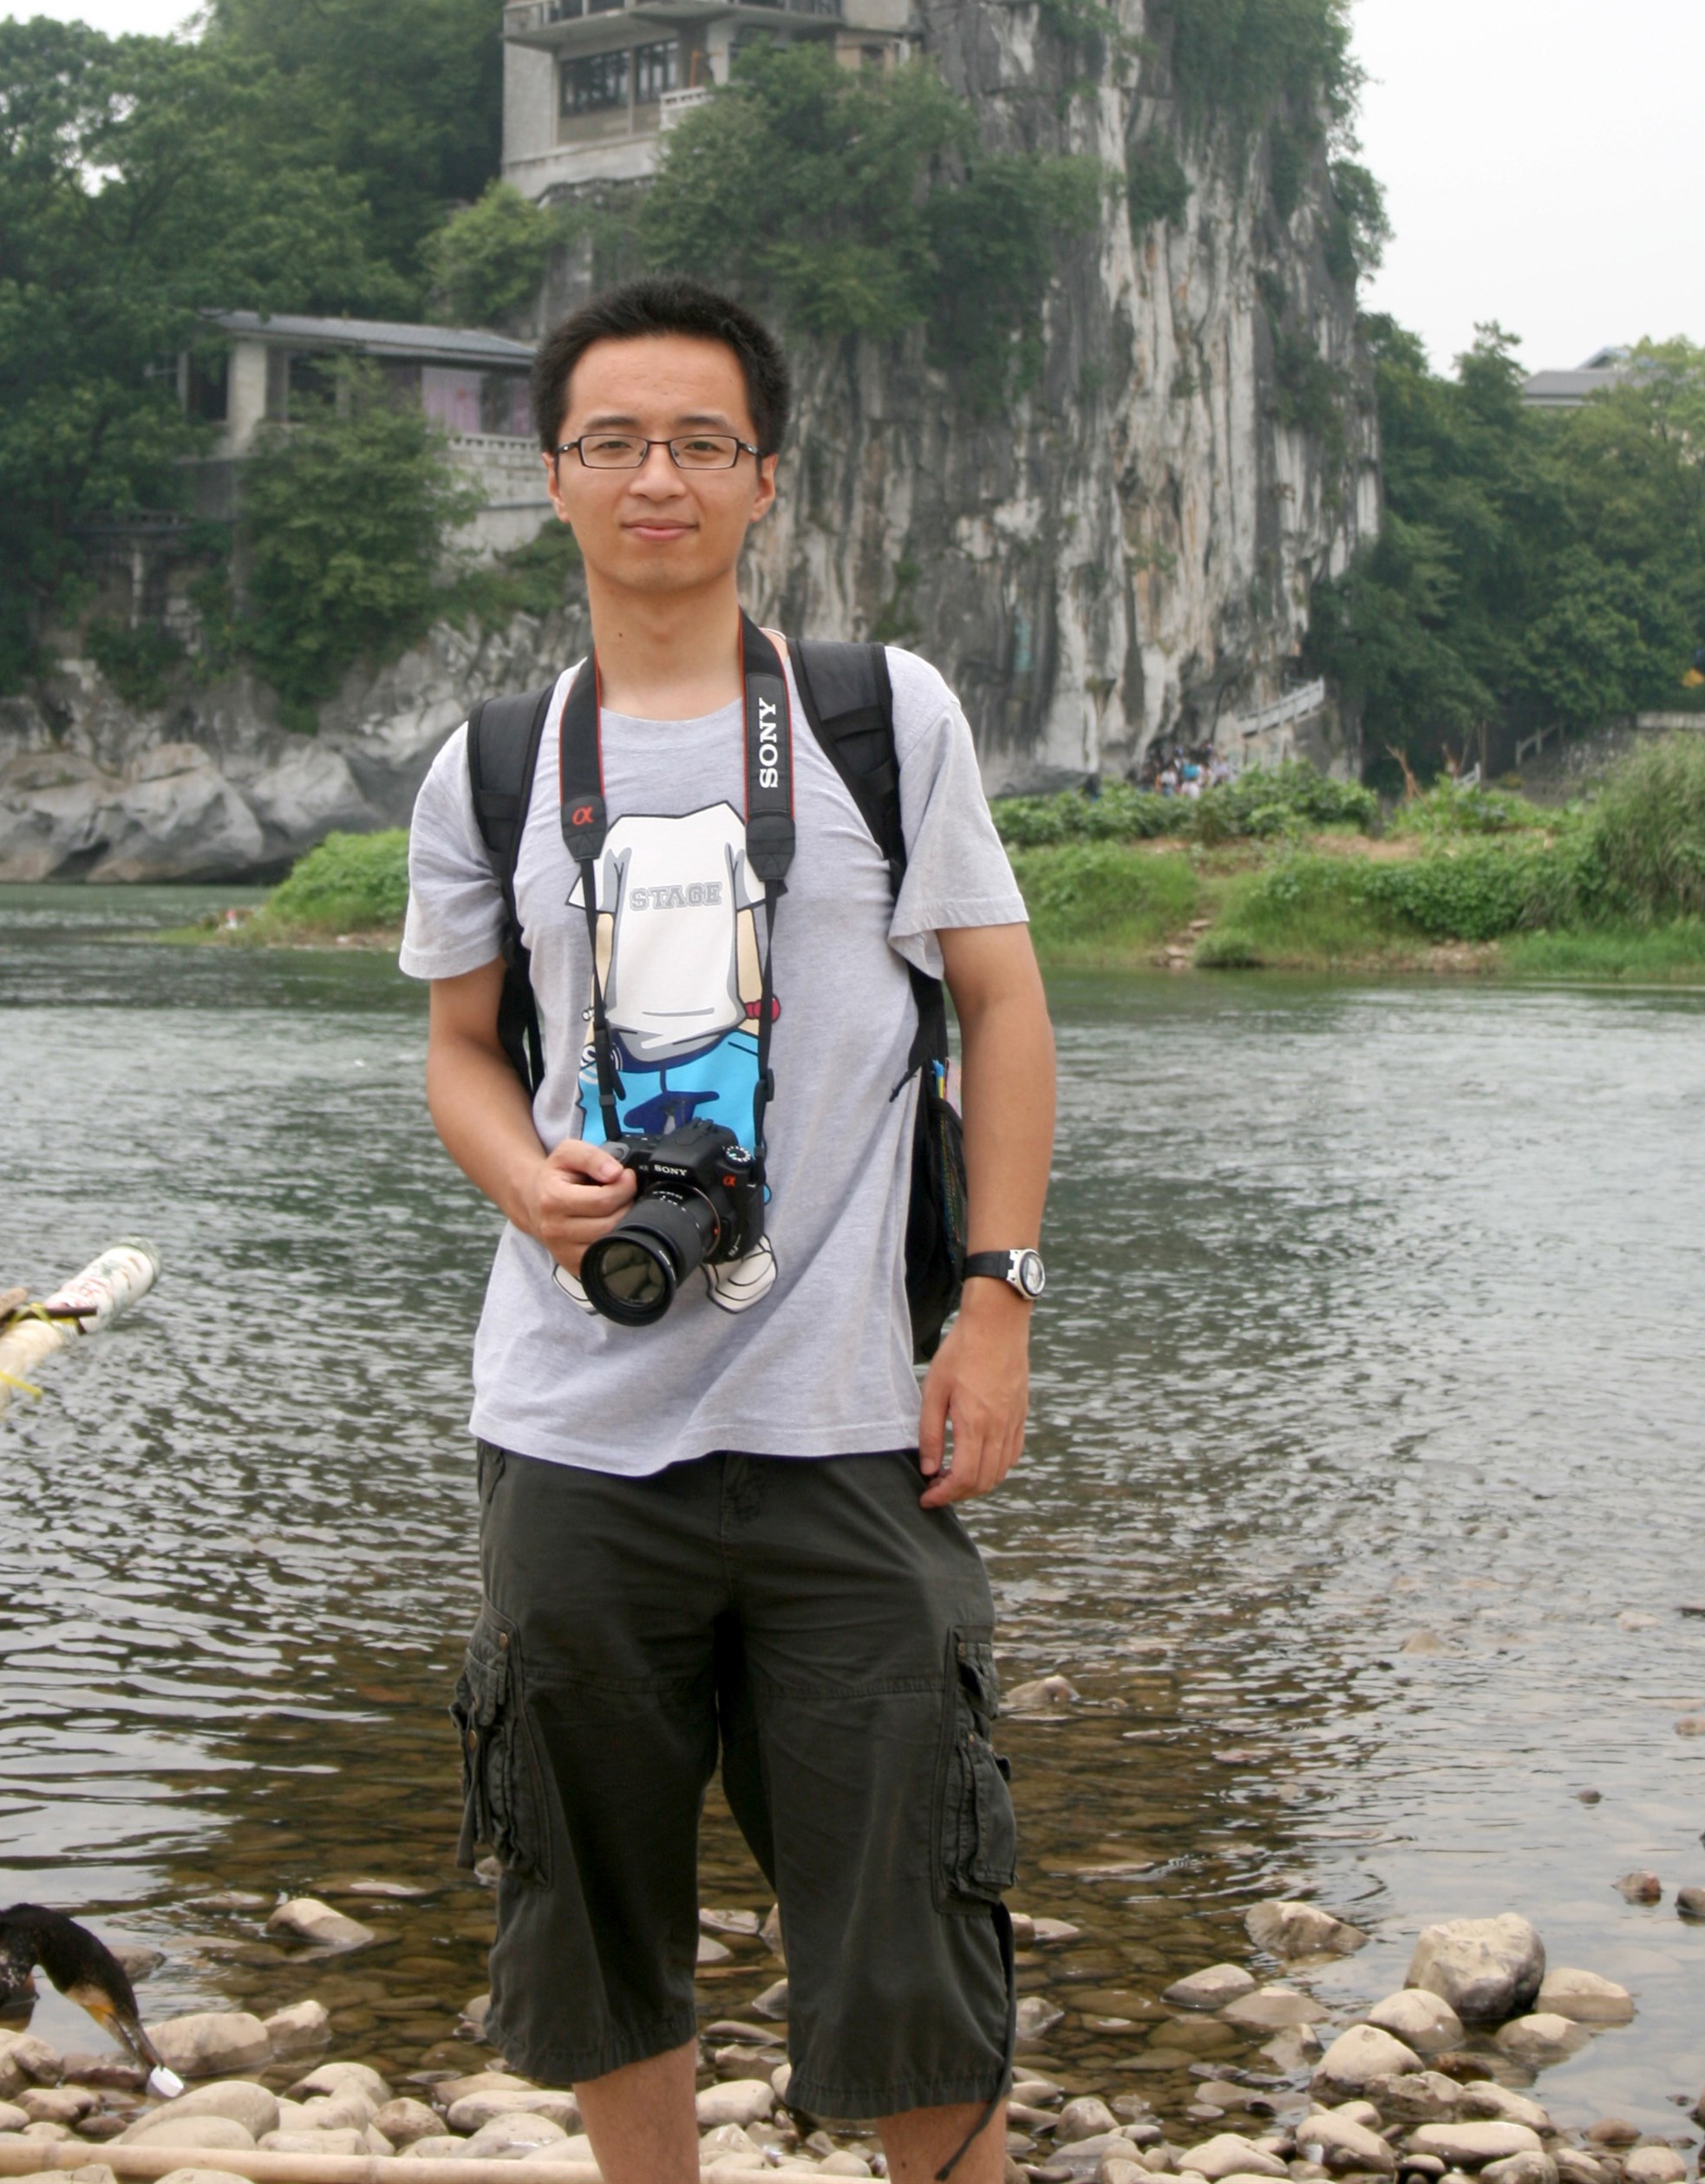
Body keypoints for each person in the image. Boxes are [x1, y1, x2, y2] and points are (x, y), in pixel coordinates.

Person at [403, 275, 1055, 2184]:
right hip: (572, 1434)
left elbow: (1003, 1005)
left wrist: (997, 1304)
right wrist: (523, 1182)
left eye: (700, 442)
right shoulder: (495, 764)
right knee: (591, 1908)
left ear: (764, 478)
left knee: (914, 1902)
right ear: (554, 478)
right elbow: (458, 1050)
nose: (656, 479)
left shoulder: (876, 719)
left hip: (847, 1430)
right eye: (612, 442)